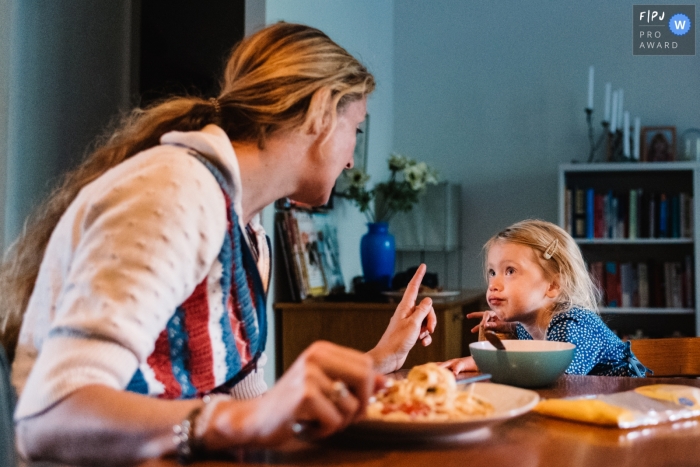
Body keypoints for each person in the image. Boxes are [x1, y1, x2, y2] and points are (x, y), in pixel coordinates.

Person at [0, 23, 437, 465]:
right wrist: (225, 421)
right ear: (321, 112)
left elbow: (253, 406)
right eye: (356, 130)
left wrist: (379, 360)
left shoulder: (250, 234)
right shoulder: (175, 190)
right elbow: (48, 419)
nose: (350, 157)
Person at [441, 219, 648, 377]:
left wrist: (486, 361)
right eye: (492, 272)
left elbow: (557, 379)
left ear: (553, 286)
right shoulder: (530, 323)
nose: (493, 284)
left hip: (629, 410)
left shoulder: (572, 324)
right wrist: (510, 326)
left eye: (510, 271)